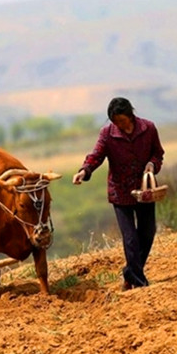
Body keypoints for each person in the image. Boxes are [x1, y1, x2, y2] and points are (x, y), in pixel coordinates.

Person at [72, 97, 164, 290]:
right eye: (115, 122)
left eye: (121, 121)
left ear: (130, 115)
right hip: (120, 191)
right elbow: (96, 155)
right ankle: (140, 283)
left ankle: (130, 273)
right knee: (130, 237)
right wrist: (84, 171)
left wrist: (152, 165)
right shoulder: (107, 133)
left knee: (147, 233)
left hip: (144, 189)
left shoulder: (149, 128)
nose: (119, 125)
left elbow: (158, 153)